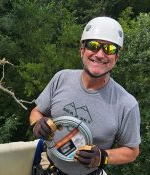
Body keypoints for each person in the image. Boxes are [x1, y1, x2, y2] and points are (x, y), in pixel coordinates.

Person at [29, 16, 141, 175]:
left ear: (116, 57)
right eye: (93, 46)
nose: (100, 54)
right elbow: (36, 111)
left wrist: (103, 157)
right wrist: (37, 123)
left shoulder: (126, 104)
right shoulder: (61, 78)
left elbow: (132, 151)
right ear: (82, 50)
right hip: (47, 167)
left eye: (109, 49)